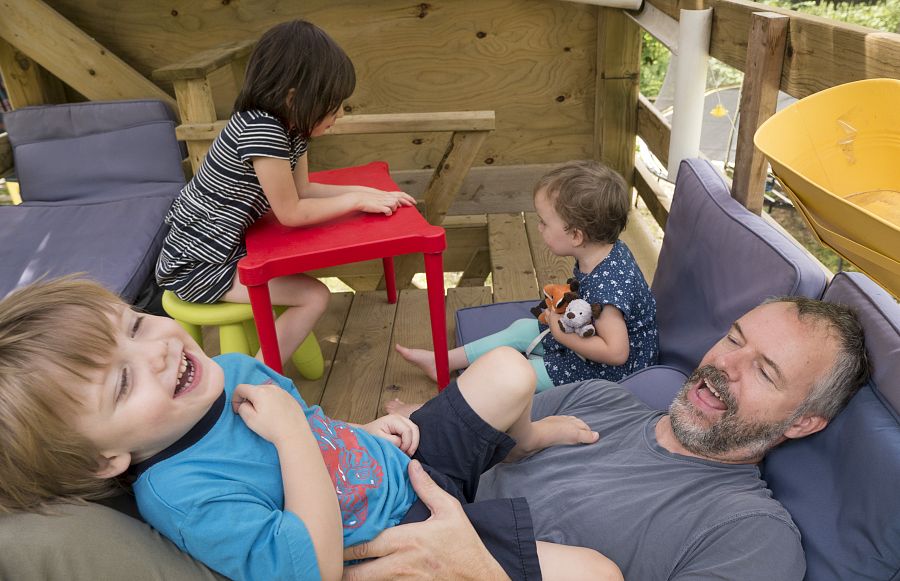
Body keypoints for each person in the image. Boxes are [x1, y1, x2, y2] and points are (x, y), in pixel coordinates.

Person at [0, 277, 623, 581]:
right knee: (597, 574)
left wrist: (361, 428)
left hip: (398, 461)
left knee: (510, 368)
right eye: (121, 383)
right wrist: (292, 435)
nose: (156, 351)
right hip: (397, 539)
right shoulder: (185, 495)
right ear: (103, 460)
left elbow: (313, 421)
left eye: (134, 325)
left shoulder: (228, 371)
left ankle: (521, 441)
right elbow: (311, 568)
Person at [346, 296, 870, 580]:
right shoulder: (599, 398)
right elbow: (454, 441)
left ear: (802, 422)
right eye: (734, 339)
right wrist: (370, 440)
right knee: (504, 370)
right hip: (389, 509)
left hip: (430, 566)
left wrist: (472, 570)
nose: (725, 365)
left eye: (765, 372)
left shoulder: (751, 534)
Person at [155, 20, 416, 365]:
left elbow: (303, 189)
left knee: (307, 286)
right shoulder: (263, 130)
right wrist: (354, 200)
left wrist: (367, 192)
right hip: (197, 265)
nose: (340, 113)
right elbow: (291, 213)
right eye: (333, 104)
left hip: (226, 249)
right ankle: (255, 380)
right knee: (314, 296)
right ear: (294, 98)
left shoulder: (291, 128)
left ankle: (260, 371)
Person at [396, 160, 659, 392]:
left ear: (576, 236)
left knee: (515, 376)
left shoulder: (607, 289)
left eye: (544, 222)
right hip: (589, 342)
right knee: (522, 329)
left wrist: (561, 335)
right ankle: (443, 363)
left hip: (612, 374)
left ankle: (445, 409)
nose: (539, 227)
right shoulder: (601, 251)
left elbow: (617, 353)